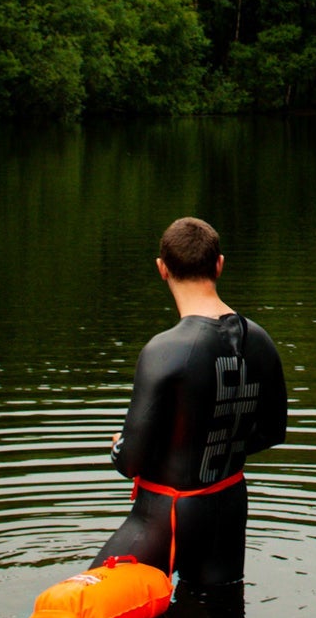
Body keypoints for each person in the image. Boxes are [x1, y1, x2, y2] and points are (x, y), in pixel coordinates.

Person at [94, 217, 287, 588]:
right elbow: (273, 431)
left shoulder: (166, 350)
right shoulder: (261, 340)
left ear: (162, 269)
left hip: (165, 514)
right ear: (219, 264)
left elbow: (132, 460)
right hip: (229, 504)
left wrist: (118, 449)